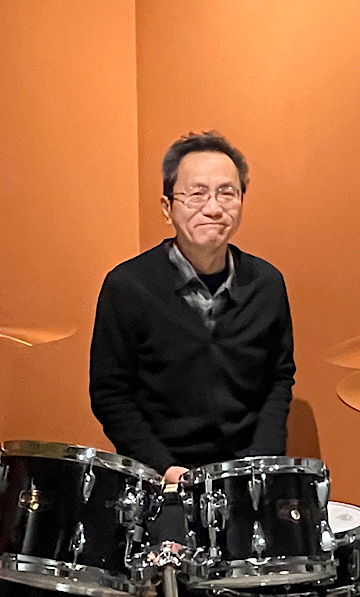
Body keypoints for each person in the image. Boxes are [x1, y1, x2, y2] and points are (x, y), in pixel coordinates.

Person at [89, 131, 295, 494]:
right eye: (196, 193)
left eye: (226, 193)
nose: (213, 208)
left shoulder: (266, 284)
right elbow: (111, 394)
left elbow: (279, 381)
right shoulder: (128, 286)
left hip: (246, 478)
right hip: (158, 481)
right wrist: (165, 469)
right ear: (167, 207)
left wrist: (258, 465)